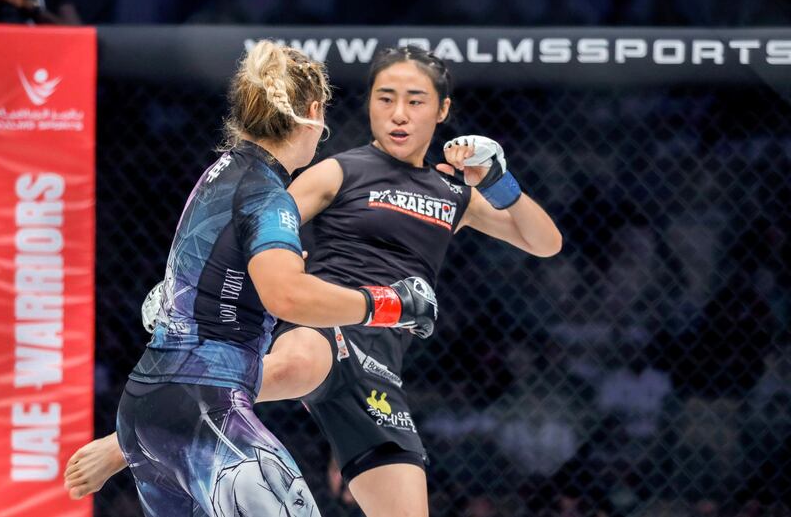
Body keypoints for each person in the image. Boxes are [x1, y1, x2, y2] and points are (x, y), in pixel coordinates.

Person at [65, 45, 562, 516]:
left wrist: (499, 181)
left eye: (415, 101)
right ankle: (132, 438)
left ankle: (146, 429)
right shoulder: (337, 172)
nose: (399, 114)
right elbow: (249, 227)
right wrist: (182, 288)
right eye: (385, 99)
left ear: (442, 109)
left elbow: (545, 243)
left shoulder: (452, 193)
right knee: (301, 358)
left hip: (382, 370)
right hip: (331, 329)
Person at [109, 41, 437, 517]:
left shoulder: (218, 174)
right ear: (314, 112)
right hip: (205, 406)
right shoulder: (266, 192)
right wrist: (392, 304)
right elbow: (288, 296)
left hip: (147, 407)